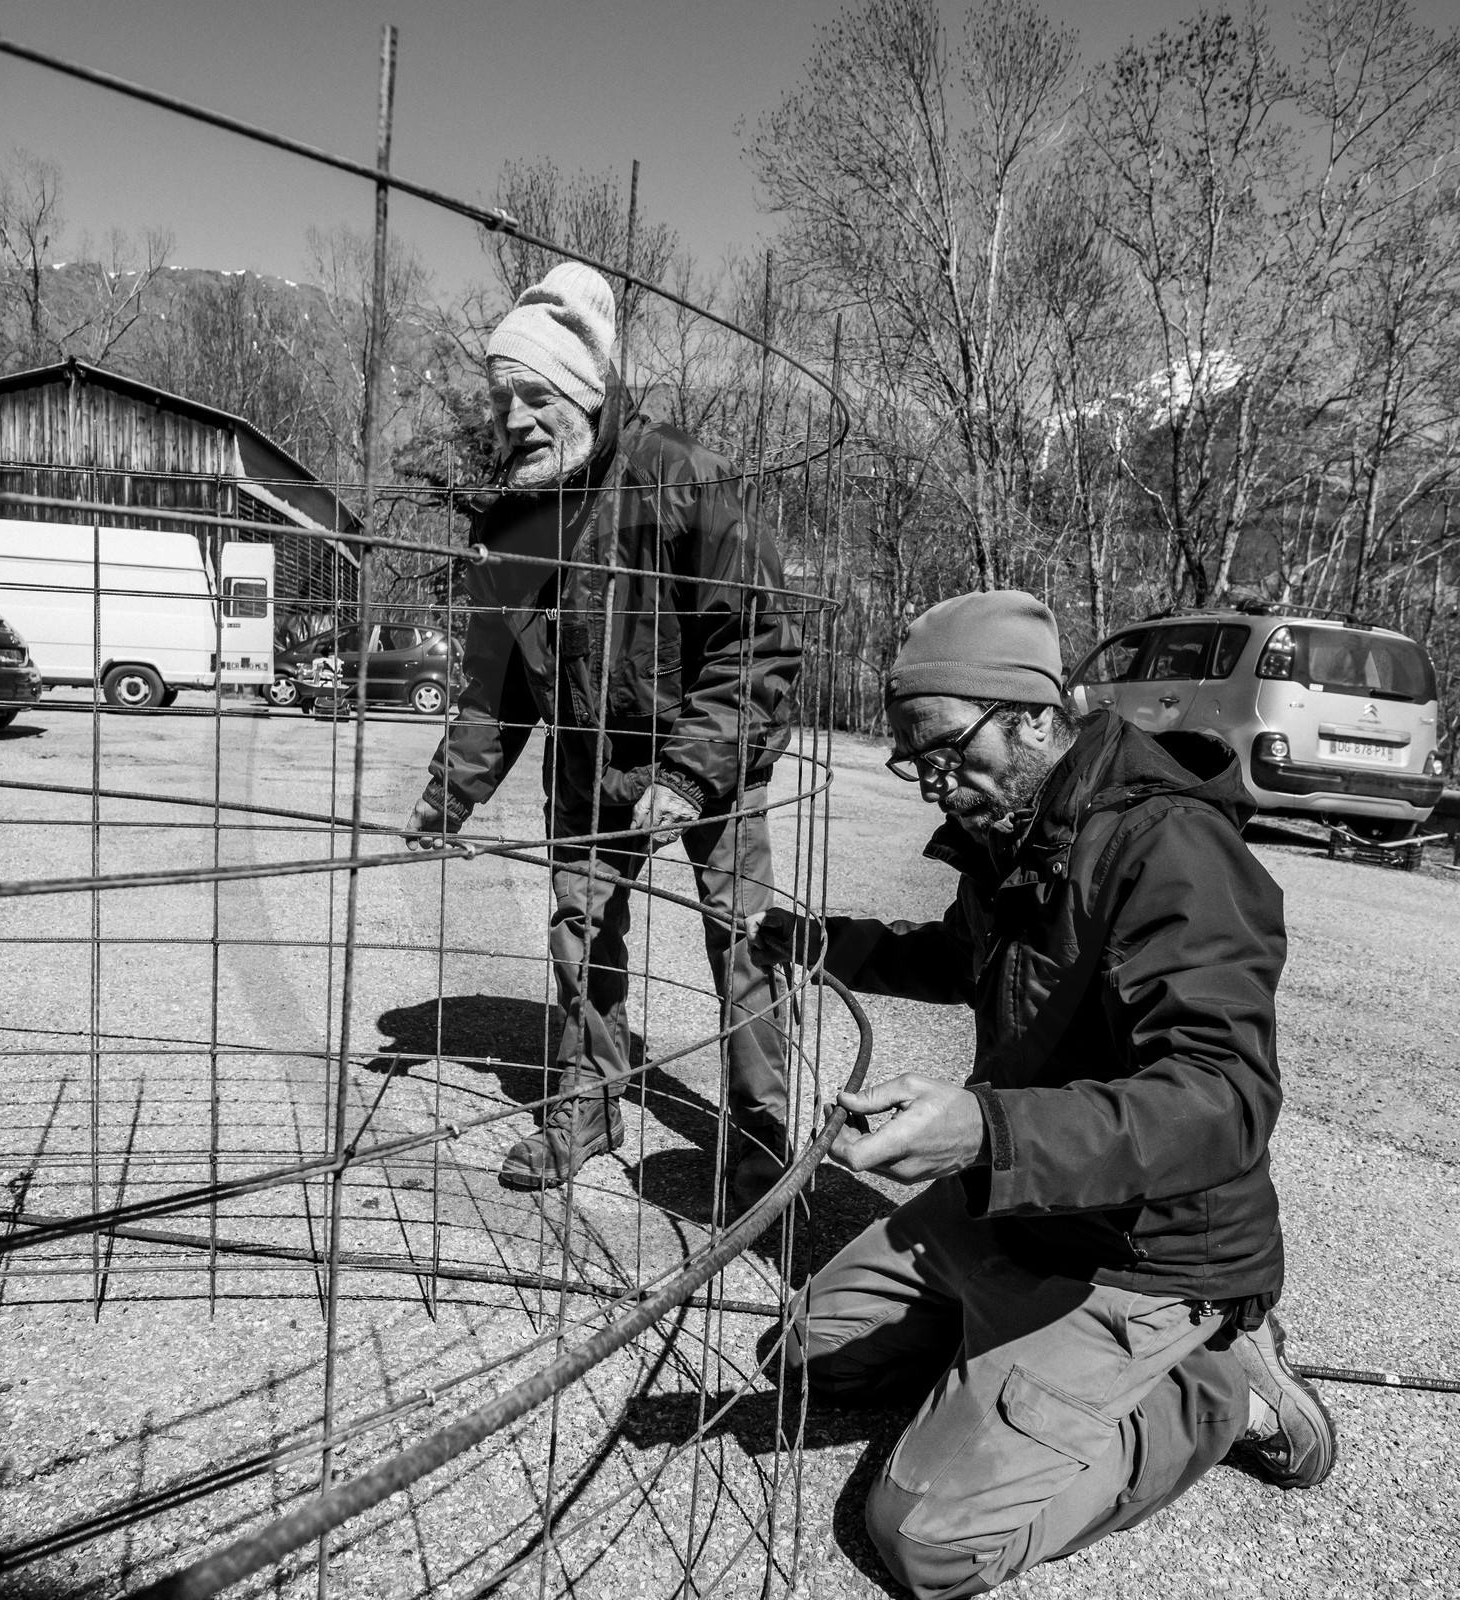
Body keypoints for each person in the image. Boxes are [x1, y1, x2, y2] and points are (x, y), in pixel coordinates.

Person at [748, 589, 1335, 1598]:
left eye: (943, 748)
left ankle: (1224, 1386)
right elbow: (979, 958)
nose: (931, 781)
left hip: (1144, 1251)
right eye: (911, 760)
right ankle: (1019, 1370)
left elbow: (1221, 1095)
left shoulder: (1171, 849)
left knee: (931, 1541)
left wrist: (982, 1129)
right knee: (804, 1357)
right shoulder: (1013, 825)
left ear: (1032, 712)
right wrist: (825, 944)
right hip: (1022, 1206)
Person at [407, 261, 801, 1206]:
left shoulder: (685, 479)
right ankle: (586, 1106)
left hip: (709, 762)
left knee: (745, 942)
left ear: (585, 392)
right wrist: (444, 798)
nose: (515, 421)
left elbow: (759, 645)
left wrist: (692, 774)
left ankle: (761, 1134)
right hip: (587, 766)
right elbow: (494, 685)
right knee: (581, 933)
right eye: (505, 400)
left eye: (535, 396)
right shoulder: (516, 524)